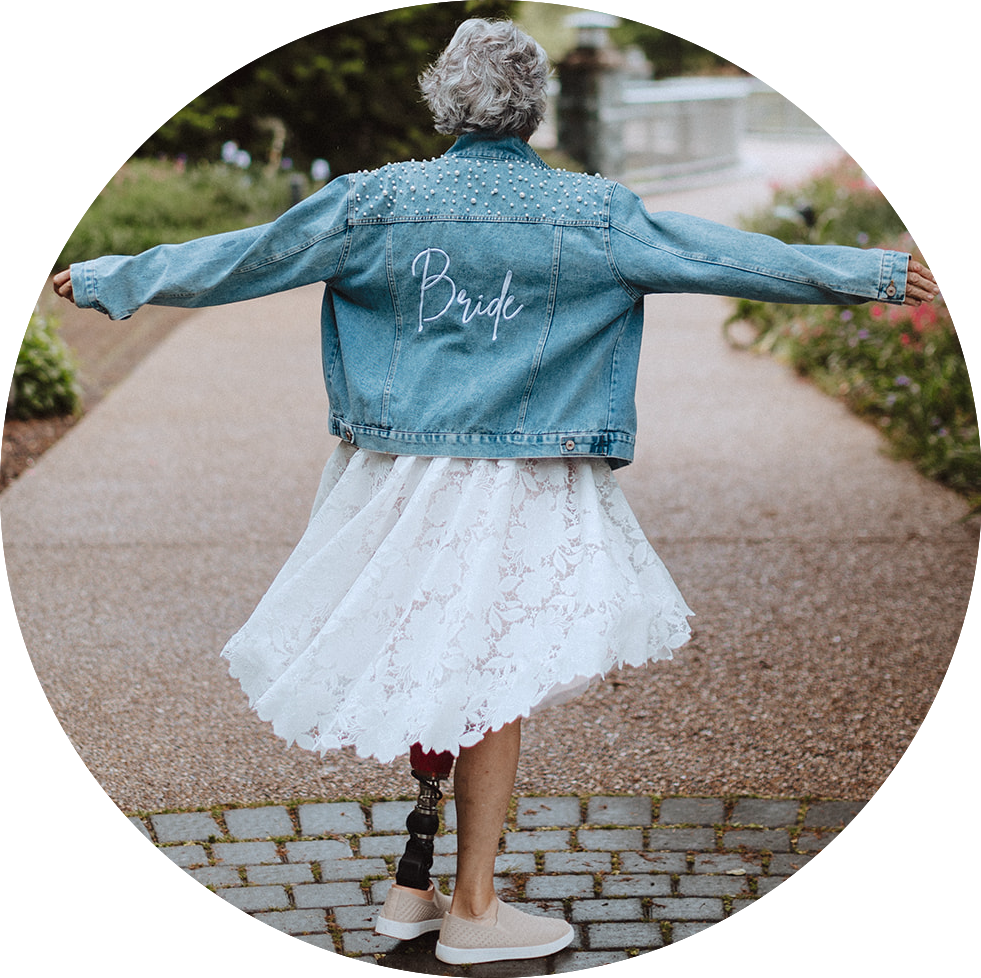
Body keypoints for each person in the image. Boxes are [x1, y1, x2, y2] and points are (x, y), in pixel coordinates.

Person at [53, 17, 939, 965]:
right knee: (491, 675)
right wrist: (876, 273)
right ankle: (472, 909)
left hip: (393, 478)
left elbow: (247, 256)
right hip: (522, 477)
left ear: (444, 100)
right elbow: (727, 255)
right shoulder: (592, 214)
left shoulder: (373, 203)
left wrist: (113, 278)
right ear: (533, 107)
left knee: (441, 659)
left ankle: (413, 885)